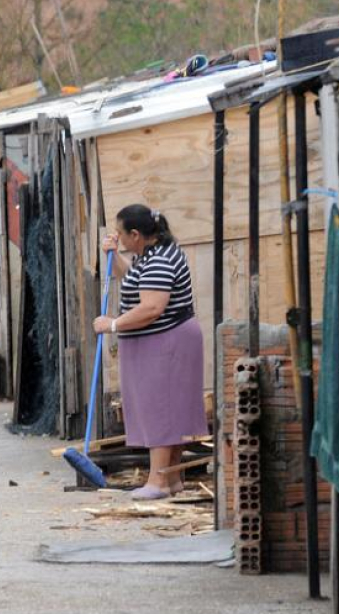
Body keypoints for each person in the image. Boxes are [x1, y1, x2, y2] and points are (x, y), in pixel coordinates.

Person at [93, 204, 207, 500]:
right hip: (160, 340)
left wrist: (113, 324)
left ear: (135, 234)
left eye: (120, 233)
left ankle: (158, 481)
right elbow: (133, 279)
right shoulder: (151, 255)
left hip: (166, 341)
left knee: (161, 409)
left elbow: (152, 307)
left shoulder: (159, 260)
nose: (117, 237)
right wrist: (113, 256)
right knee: (164, 407)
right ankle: (172, 478)